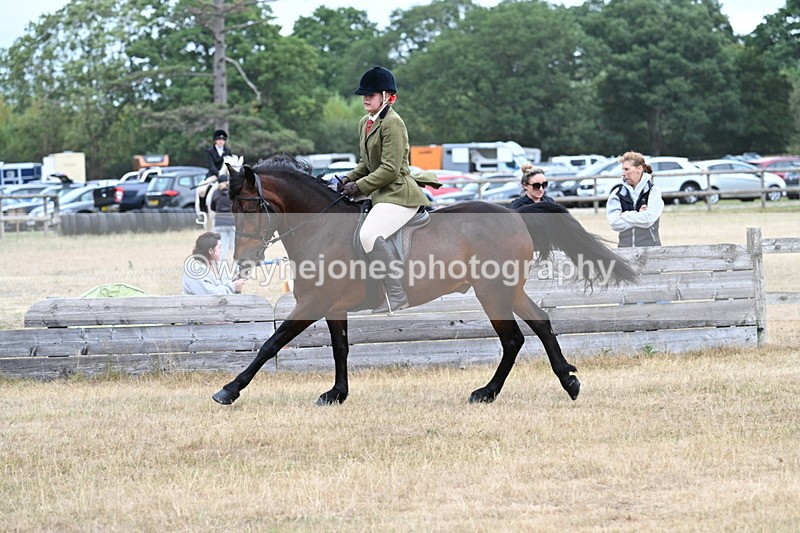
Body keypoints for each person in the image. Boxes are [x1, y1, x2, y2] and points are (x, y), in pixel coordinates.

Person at [337, 66, 438, 314]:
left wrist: (358, 186)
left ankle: (397, 294)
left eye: (370, 94)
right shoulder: (365, 122)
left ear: (386, 96)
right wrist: (347, 178)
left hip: (399, 194)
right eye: (364, 94)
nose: (365, 98)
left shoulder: (393, 123)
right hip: (380, 192)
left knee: (369, 235)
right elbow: (366, 163)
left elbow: (390, 169)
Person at [606, 151, 664, 247]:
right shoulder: (616, 194)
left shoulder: (653, 191)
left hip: (651, 250)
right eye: (623, 170)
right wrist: (638, 215)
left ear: (639, 169)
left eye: (626, 169)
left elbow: (648, 220)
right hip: (625, 250)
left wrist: (624, 215)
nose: (623, 174)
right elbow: (615, 224)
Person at [210, 176, 235, 261]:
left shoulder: (215, 192)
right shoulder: (232, 192)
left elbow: (212, 207)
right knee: (234, 246)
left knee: (221, 246)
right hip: (232, 222)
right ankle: (236, 266)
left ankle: (221, 266)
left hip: (219, 222)